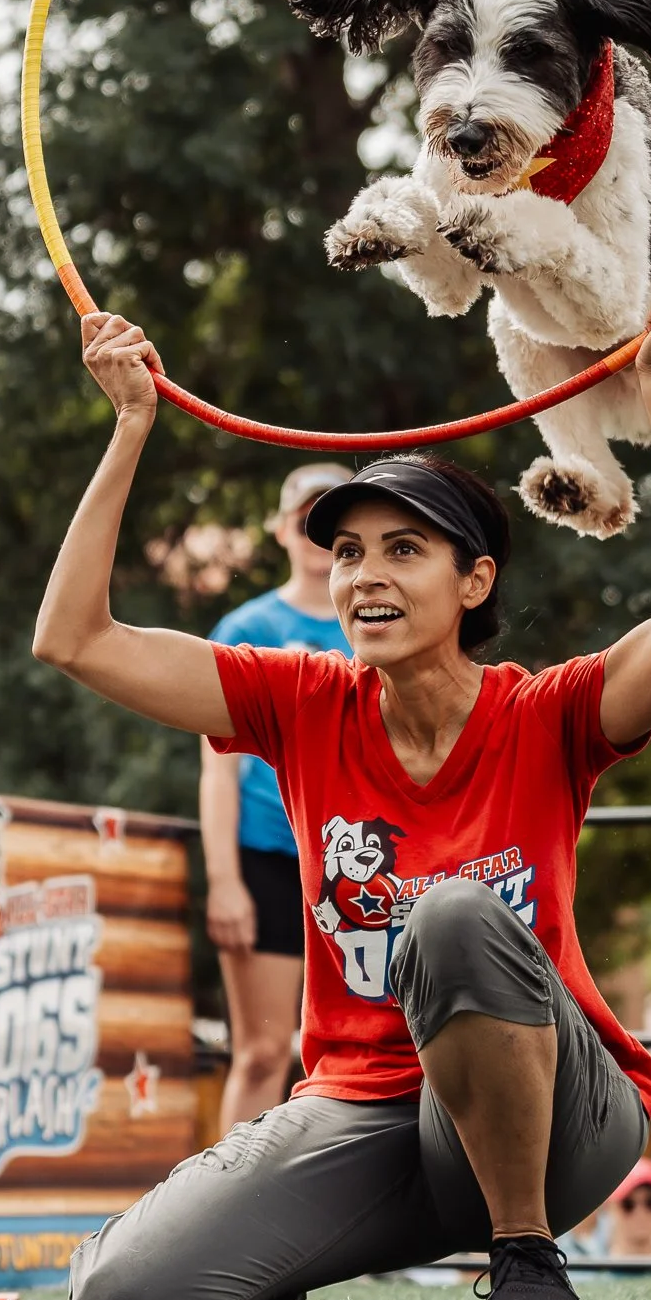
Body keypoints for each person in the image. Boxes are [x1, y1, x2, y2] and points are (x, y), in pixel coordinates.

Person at [33, 264, 651, 1300]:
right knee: (119, 1294)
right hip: (366, 1108)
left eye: (405, 549)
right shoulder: (300, 697)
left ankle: (523, 1253)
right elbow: (73, 638)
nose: (364, 573)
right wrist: (132, 423)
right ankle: (311, 1243)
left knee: (453, 915)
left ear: (476, 580)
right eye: (349, 550)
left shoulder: (548, 713)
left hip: (565, 1125)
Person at [201, 461, 351, 1132]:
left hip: (361, 857)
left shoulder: (381, 618)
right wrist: (224, 880)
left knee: (368, 1051)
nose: (317, 538)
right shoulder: (244, 628)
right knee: (261, 1051)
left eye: (332, 523)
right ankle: (223, 1216)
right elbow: (216, 770)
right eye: (305, 520)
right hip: (268, 854)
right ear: (282, 530)